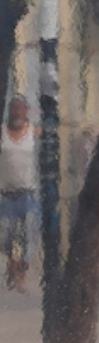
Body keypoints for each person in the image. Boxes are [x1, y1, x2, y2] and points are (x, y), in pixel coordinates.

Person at [0, 95, 37, 293]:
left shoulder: (33, 132)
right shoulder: (2, 134)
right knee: (5, 236)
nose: (16, 112)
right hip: (7, 195)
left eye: (20, 109)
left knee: (29, 238)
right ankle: (12, 264)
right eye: (13, 108)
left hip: (28, 195)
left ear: (26, 111)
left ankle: (21, 276)